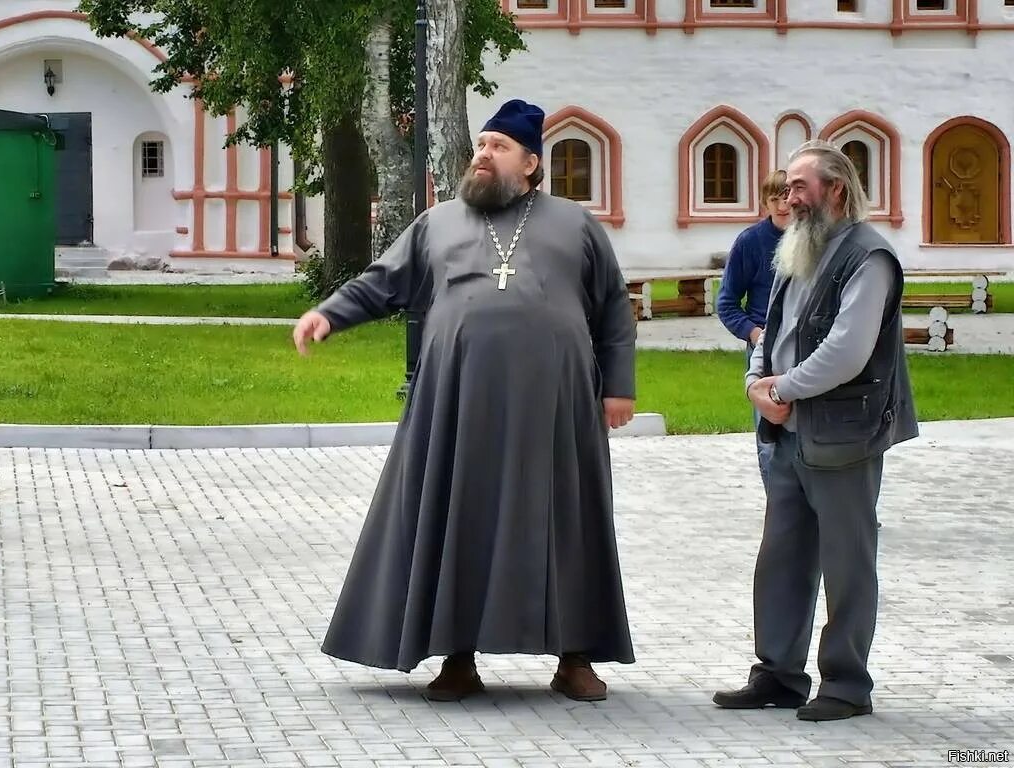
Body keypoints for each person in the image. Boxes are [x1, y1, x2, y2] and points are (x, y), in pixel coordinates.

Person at [292, 99, 637, 703]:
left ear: (531, 163)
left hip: (557, 406)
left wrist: (618, 387)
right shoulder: (439, 222)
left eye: (498, 147)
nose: (482, 154)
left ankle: (575, 656)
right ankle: (456, 657)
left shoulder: (575, 224)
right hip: (458, 403)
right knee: (458, 515)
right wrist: (329, 313)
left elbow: (612, 308)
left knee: (568, 519)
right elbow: (383, 282)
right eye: (480, 144)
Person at [712, 139, 918, 722]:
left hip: (843, 436)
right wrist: (758, 383)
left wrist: (782, 390)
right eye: (787, 187)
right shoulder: (795, 249)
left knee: (848, 562)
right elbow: (768, 327)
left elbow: (847, 352)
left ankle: (847, 685)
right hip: (785, 434)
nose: (789, 196)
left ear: (836, 189)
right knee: (781, 558)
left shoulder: (869, 257)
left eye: (801, 186)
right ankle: (778, 673)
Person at [716, 170, 791, 488]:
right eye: (774, 199)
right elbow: (727, 303)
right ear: (765, 203)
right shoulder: (751, 243)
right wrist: (754, 333)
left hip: (808, 345)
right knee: (770, 428)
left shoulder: (817, 238)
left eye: (786, 197)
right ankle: (778, 505)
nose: (782, 206)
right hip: (766, 346)